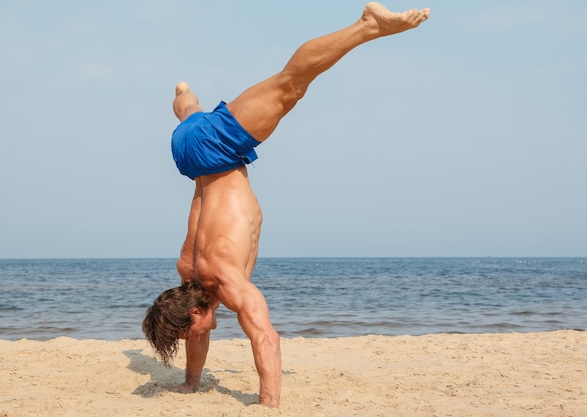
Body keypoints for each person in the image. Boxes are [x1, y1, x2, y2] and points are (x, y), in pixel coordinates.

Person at [142, 2, 430, 407]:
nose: (198, 336)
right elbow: (201, 330)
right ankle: (184, 95)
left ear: (193, 312)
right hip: (188, 151)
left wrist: (268, 403)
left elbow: (266, 337)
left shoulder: (225, 279)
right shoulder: (187, 271)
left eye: (190, 332)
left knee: (290, 85)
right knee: (190, 112)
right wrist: (191, 383)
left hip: (216, 150)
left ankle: (367, 25)